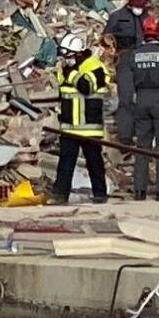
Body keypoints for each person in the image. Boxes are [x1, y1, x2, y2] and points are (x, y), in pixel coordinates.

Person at [123, 15, 159, 200]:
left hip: (141, 99)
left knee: (142, 145)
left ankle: (139, 189)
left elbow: (127, 78)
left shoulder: (134, 56)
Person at [50, 32, 110, 203]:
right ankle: (60, 195)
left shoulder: (95, 67)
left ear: (79, 53)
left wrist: (71, 74)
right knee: (65, 164)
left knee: (94, 162)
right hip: (69, 126)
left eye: (70, 56)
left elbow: (86, 86)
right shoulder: (66, 69)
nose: (67, 60)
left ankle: (100, 194)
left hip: (89, 127)